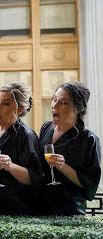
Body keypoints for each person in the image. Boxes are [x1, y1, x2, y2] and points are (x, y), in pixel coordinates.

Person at [38, 82, 101, 215]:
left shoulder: (88, 139)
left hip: (69, 211)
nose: (54, 106)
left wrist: (62, 166)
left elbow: (89, 185)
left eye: (63, 103)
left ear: (77, 108)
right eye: (54, 99)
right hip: (39, 207)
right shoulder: (46, 128)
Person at [0, 82, 43, 215]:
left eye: (6, 103)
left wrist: (10, 166)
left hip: (16, 209)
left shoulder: (26, 135)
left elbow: (35, 177)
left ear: (19, 110)